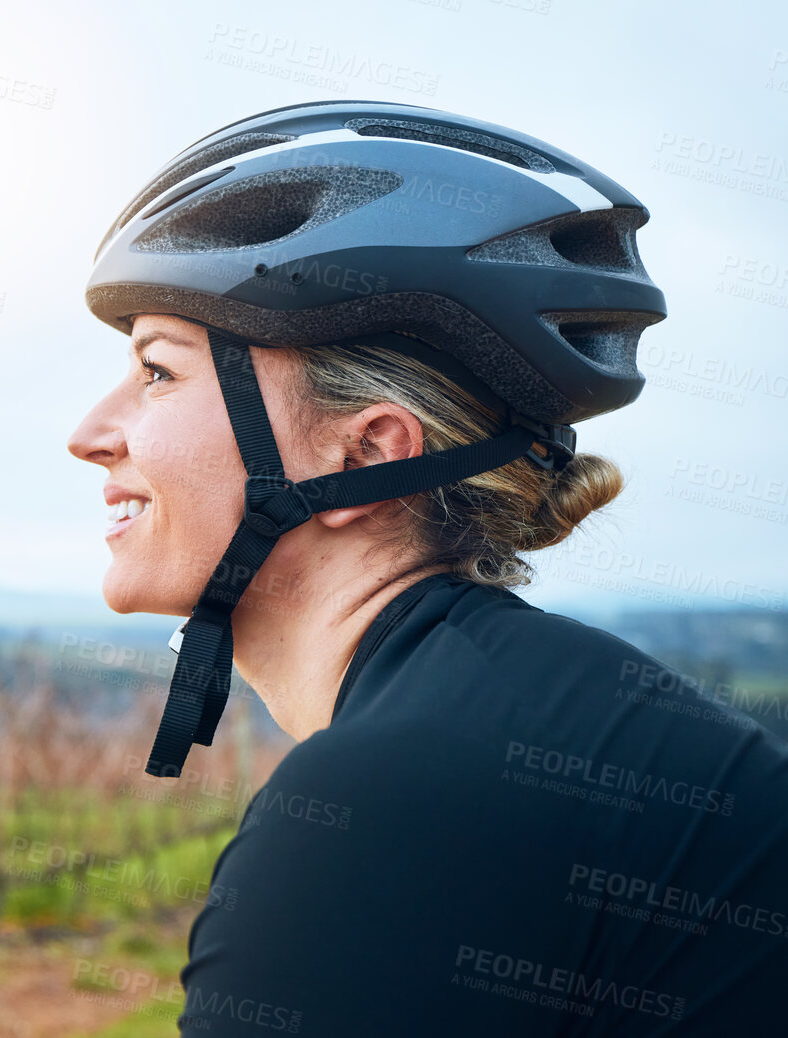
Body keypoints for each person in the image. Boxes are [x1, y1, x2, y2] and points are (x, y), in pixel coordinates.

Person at [67, 99, 788, 1034]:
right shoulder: (543, 714)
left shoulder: (394, 808)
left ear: (363, 455)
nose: (88, 436)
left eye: (158, 371)